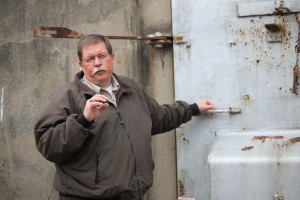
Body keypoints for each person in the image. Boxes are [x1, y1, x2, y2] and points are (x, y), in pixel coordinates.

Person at [34, 34, 215, 200]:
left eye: (102, 56)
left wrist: (192, 109)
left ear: (112, 58)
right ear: (81, 64)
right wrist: (82, 120)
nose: (97, 63)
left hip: (133, 194)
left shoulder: (130, 88)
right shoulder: (69, 95)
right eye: (90, 59)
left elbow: (158, 118)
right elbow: (47, 144)